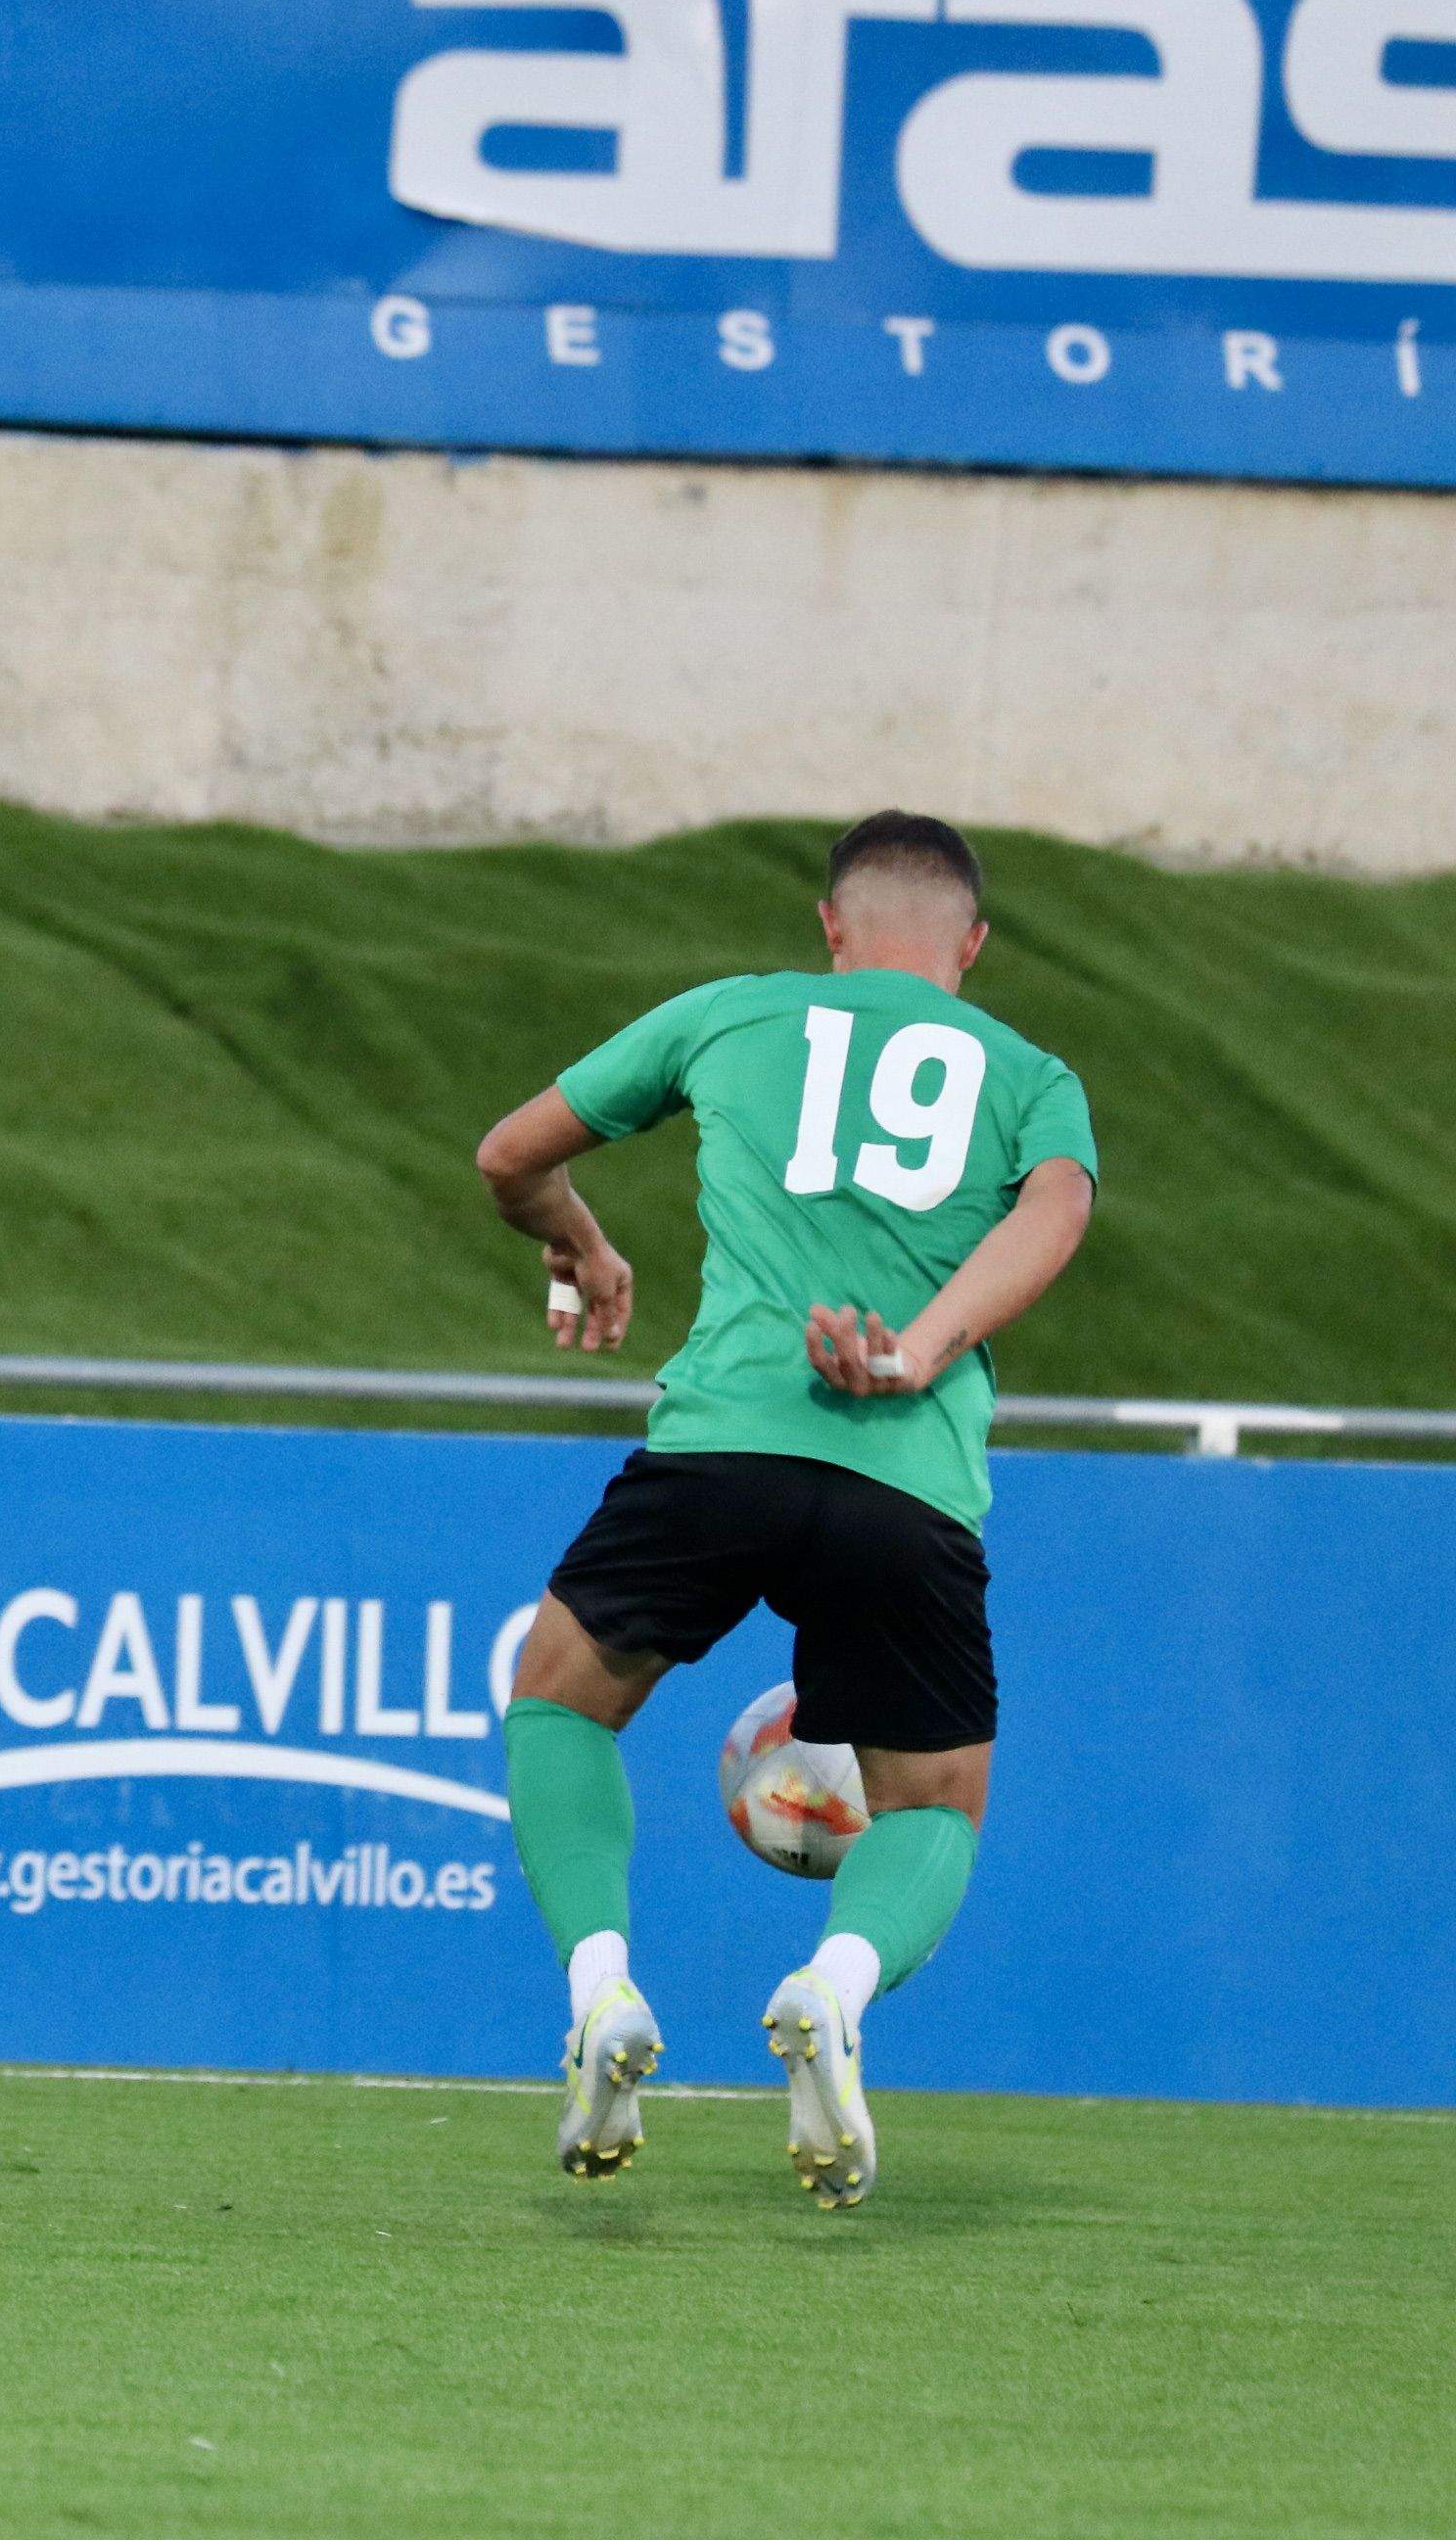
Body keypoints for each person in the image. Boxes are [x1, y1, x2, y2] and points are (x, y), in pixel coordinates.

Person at [473, 810, 1096, 2209]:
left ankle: (602, 1992)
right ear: (973, 948)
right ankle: (835, 1985)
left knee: (560, 1700)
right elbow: (1056, 1213)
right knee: (934, 1801)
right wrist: (921, 1349)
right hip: (907, 1480)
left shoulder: (734, 1015)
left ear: (830, 928)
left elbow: (508, 1153)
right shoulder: (1034, 1079)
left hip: (725, 1449)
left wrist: (577, 1237)